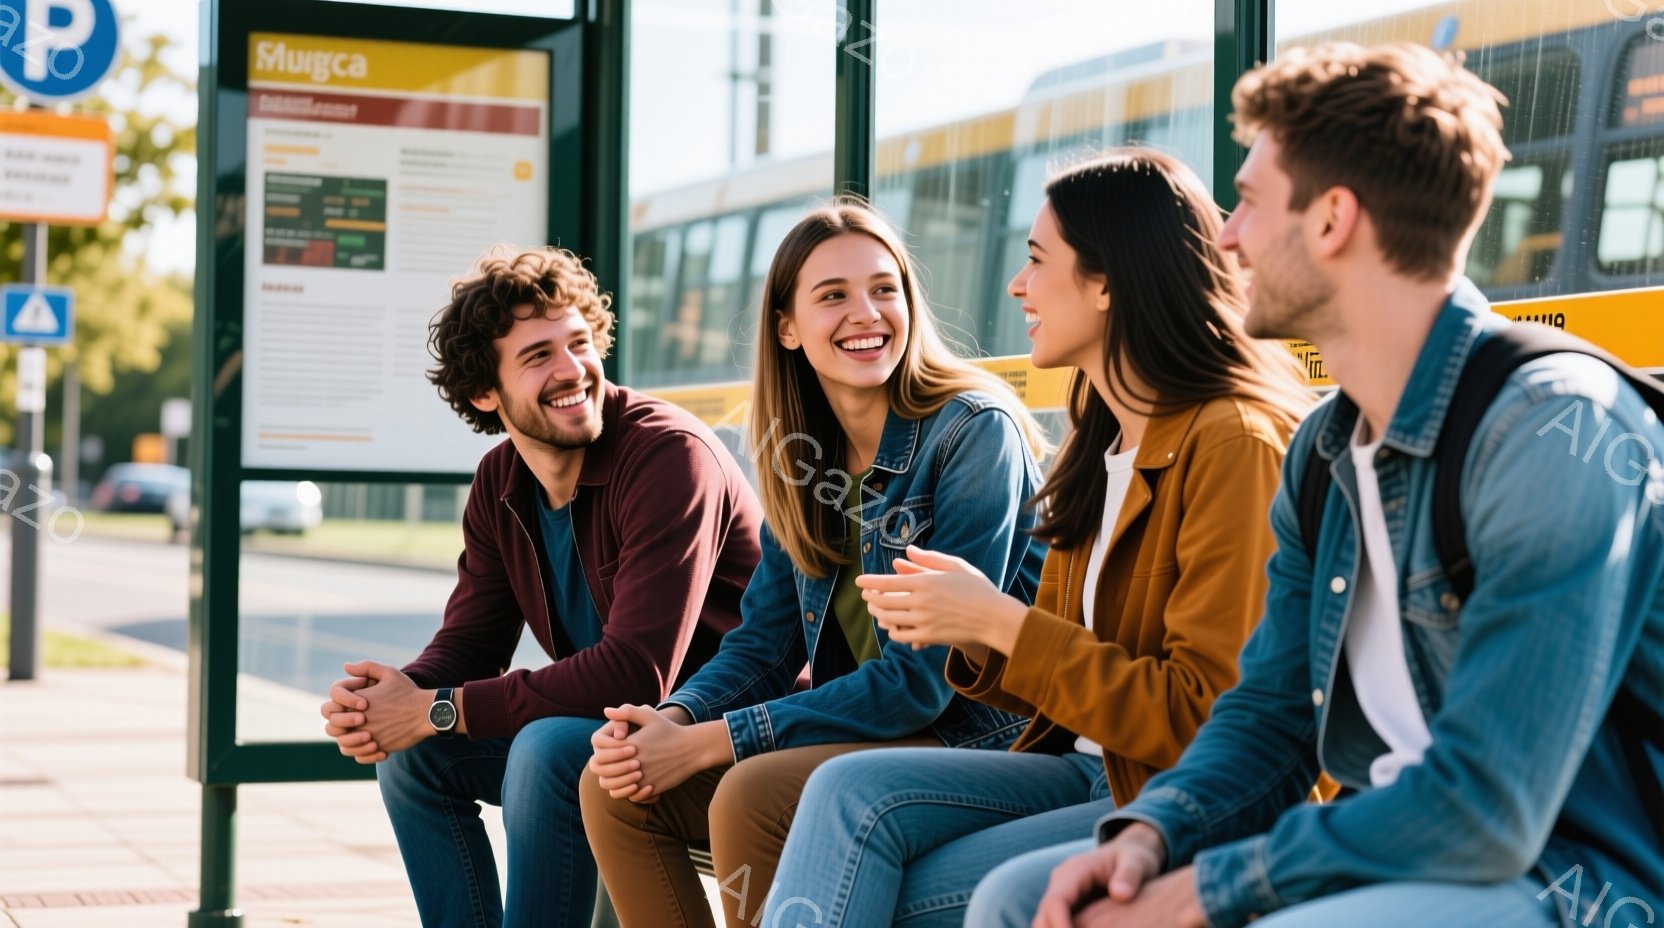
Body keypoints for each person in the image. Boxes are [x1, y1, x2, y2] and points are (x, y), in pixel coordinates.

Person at [990, 42, 1664, 928]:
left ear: (1333, 219)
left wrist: (1214, 887)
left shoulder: (1548, 432)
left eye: (1250, 202)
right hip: (1391, 853)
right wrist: (1152, 835)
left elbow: (1487, 808)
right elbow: (1271, 714)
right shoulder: (1324, 450)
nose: (1226, 237)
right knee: (1024, 900)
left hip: (1563, 884)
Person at [758, 149, 1317, 928]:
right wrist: (972, 628)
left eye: (1036, 259)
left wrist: (999, 623)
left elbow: (1208, 718)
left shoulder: (1233, 443)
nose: (1017, 285)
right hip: (1083, 766)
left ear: (1106, 281)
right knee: (843, 792)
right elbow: (1052, 669)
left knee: (877, 888)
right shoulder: (1102, 433)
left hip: (1172, 792)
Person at [577, 198, 1051, 928]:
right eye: (833, 296)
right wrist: (671, 720)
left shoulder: (973, 435)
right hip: (875, 732)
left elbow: (922, 683)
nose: (867, 313)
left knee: (751, 794)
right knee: (616, 786)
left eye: (884, 288)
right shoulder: (801, 460)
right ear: (787, 328)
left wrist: (710, 741)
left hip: (982, 736)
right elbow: (763, 648)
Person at [316, 246, 764, 928]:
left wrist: (436, 708)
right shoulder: (500, 483)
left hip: (718, 735)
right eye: (537, 356)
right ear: (484, 392)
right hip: (621, 735)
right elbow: (470, 644)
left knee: (545, 749)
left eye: (579, 343)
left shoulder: (669, 456)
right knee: (416, 757)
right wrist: (392, 701)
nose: (572, 369)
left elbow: (636, 670)